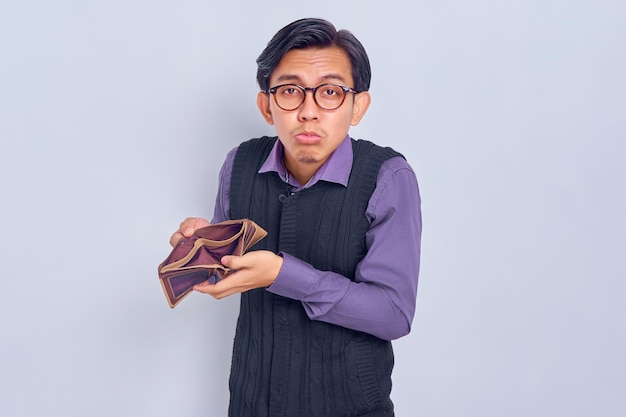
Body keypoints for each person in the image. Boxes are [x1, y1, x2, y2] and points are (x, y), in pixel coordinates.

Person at [169, 17, 421, 417]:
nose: (308, 111)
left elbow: (393, 314)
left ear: (358, 106)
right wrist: (202, 247)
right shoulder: (238, 164)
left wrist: (283, 276)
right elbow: (227, 268)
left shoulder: (388, 178)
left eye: (330, 92)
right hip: (252, 404)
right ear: (267, 105)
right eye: (290, 91)